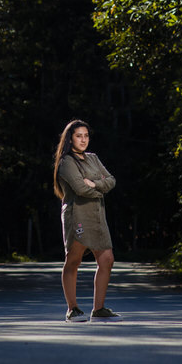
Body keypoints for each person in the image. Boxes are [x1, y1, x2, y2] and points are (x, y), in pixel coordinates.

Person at [52, 119, 121, 322]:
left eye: (86, 136)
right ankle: (72, 309)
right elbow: (80, 189)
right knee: (74, 260)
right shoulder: (66, 162)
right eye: (78, 136)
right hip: (77, 216)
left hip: (97, 216)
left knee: (107, 259)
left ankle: (98, 309)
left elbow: (112, 180)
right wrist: (101, 187)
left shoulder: (93, 158)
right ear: (70, 139)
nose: (83, 140)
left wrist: (94, 183)